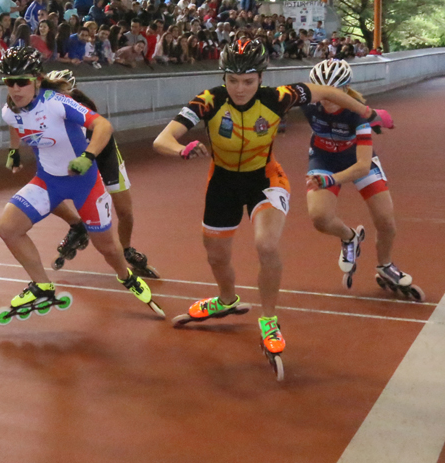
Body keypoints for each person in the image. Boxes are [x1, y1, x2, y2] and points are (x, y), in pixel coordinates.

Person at [153, 39, 393, 379]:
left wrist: (366, 113)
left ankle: (268, 320)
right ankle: (226, 300)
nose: (239, 88)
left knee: (266, 244)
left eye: (248, 81)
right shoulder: (208, 100)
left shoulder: (279, 97)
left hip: (266, 179)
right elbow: (162, 139)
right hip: (222, 183)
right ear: (223, 77)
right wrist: (182, 148)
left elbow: (328, 91)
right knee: (216, 257)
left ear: (261, 78)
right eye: (232, 80)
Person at [0, 47, 163, 325]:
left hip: (85, 183)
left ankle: (126, 275)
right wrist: (14, 151)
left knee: (108, 249)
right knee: (8, 228)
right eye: (8, 82)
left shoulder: (57, 102)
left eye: (21, 81)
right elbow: (14, 123)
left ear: (37, 79)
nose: (15, 88)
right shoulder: (9, 110)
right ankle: (42, 285)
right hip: (48, 182)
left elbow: (103, 126)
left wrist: (88, 156)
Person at [302, 60, 419, 298]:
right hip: (323, 159)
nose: (325, 98)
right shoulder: (308, 104)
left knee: (386, 220)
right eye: (321, 91)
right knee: (320, 218)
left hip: (356, 161)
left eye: (333, 92)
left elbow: (362, 167)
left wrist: (329, 181)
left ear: (345, 89)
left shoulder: (358, 115)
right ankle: (349, 237)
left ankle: (385, 265)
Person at [42, 70, 157, 277]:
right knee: (44, 193)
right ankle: (76, 225)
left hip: (104, 157)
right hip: (75, 159)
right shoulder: (45, 112)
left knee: (125, 212)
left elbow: (103, 130)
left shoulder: (82, 108)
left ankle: (127, 249)